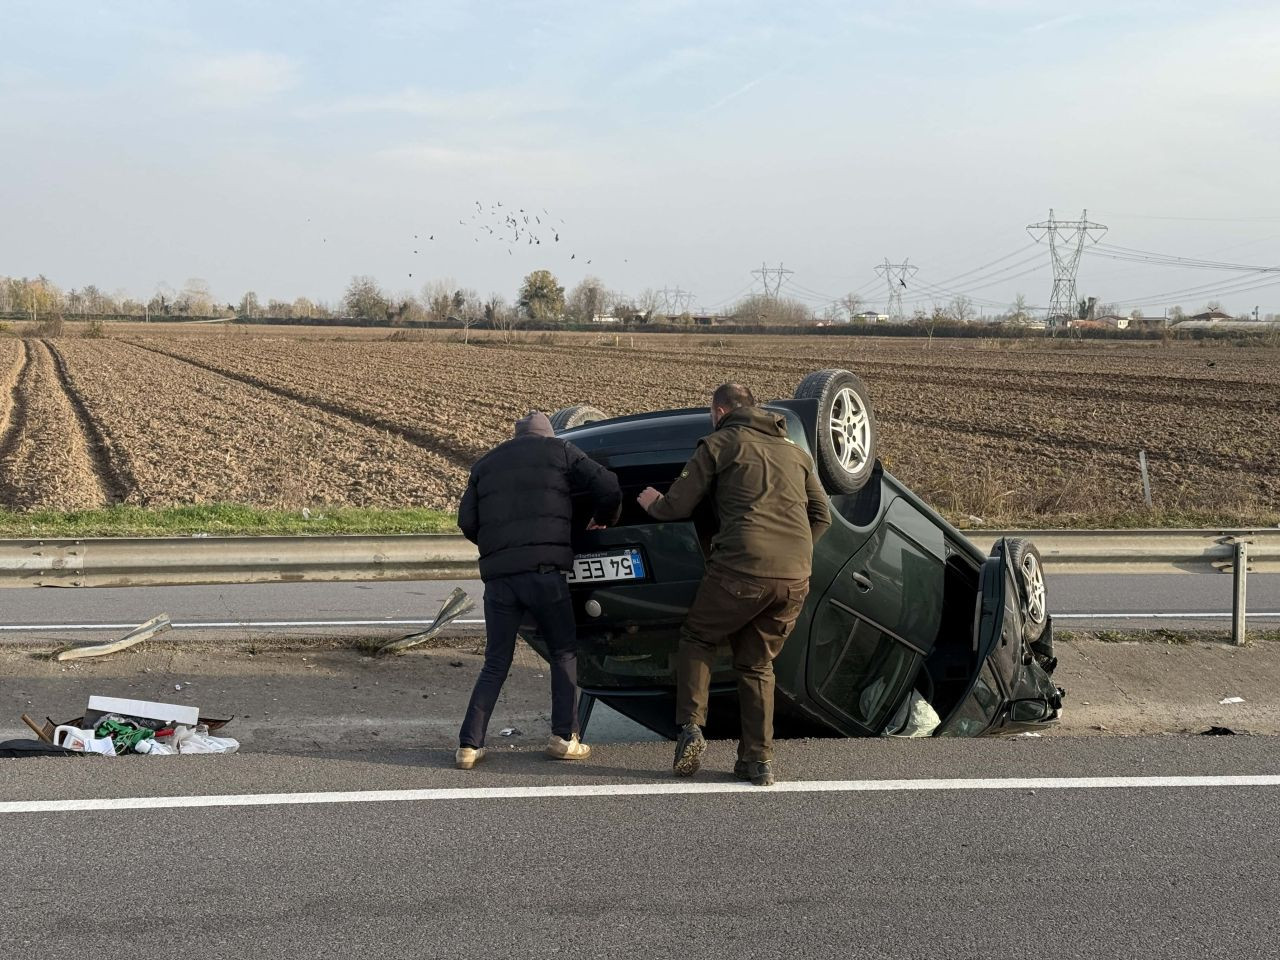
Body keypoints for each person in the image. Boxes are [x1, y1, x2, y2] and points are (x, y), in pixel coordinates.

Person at [637, 383, 830, 786]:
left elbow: (677, 505)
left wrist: (652, 501)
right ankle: (757, 762)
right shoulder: (796, 453)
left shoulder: (720, 443)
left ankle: (690, 728)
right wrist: (796, 554)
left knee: (698, 636)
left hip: (740, 568)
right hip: (795, 577)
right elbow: (821, 515)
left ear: (719, 411)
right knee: (757, 663)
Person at [456, 410, 621, 769]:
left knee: (496, 661)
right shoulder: (561, 451)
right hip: (545, 575)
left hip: (500, 581)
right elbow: (607, 485)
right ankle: (564, 737)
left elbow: (466, 520)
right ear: (548, 435)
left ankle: (469, 745)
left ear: (517, 436)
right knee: (563, 652)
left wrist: (497, 548)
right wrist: (603, 519)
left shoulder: (486, 464)